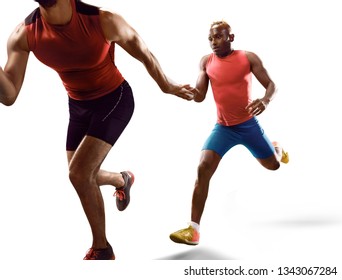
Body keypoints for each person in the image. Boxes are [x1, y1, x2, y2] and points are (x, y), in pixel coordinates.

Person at [0, 0, 196, 260]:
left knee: (79, 173)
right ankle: (121, 179)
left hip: (114, 99)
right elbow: (9, 94)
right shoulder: (24, 34)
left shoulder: (103, 20)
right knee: (80, 175)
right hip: (78, 107)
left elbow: (143, 51)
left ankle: (102, 249)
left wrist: (166, 85)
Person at [169, 20, 289, 246]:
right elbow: (200, 95)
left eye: (219, 37)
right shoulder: (206, 62)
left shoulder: (248, 58)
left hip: (248, 126)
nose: (214, 42)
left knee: (273, 165)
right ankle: (193, 230)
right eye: (210, 38)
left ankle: (276, 148)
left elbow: (272, 84)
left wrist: (265, 100)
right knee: (203, 168)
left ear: (231, 38)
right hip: (223, 128)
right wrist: (183, 91)